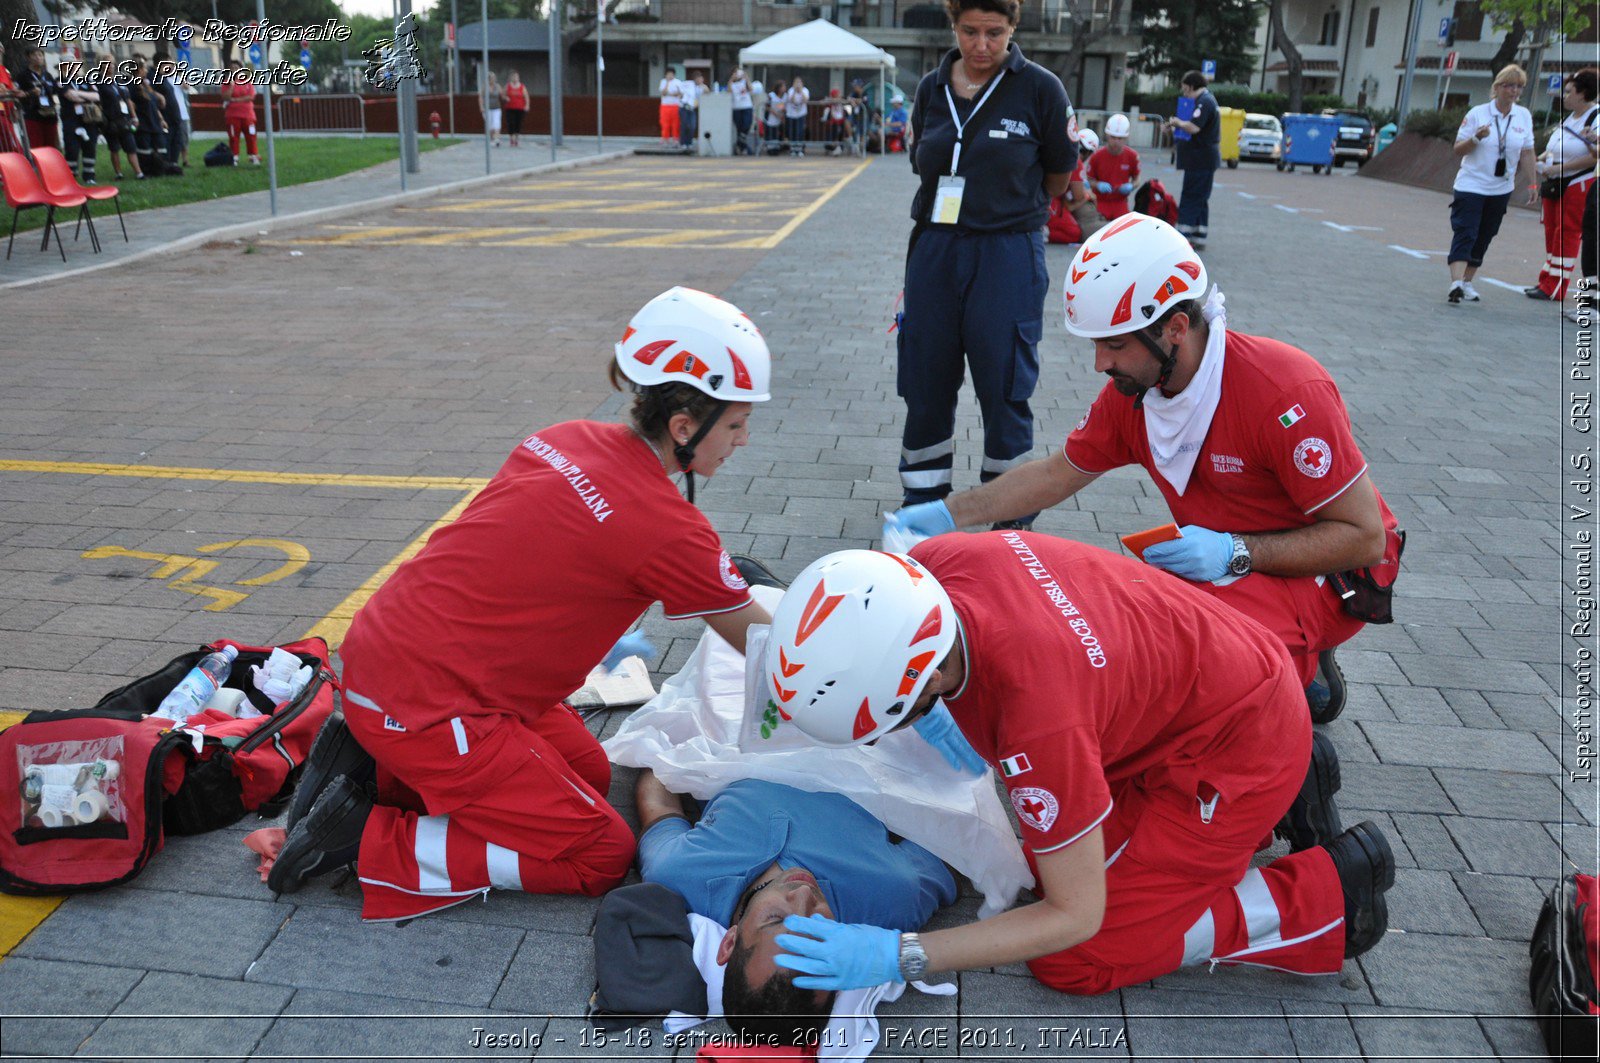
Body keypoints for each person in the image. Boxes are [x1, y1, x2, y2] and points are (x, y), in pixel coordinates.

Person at [267, 288, 778, 921]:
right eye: (736, 423)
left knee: (589, 773)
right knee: (599, 853)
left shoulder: (565, 437)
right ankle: (366, 839)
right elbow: (769, 645)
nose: (745, 439)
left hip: (391, 662)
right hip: (429, 705)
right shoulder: (669, 528)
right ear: (684, 428)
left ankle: (385, 773)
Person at [762, 545, 1394, 999]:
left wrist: (901, 956)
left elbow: (1075, 915)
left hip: (1235, 745)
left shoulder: (1037, 720)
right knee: (1048, 865)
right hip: (1211, 681)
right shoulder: (936, 566)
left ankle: (1322, 896)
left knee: (1073, 955)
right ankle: (1272, 791)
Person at [886, 215, 1402, 725]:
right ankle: (1292, 670)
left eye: (1114, 345)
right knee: (1140, 621)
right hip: (1235, 557)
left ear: (1175, 328)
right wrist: (945, 514)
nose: (1099, 365)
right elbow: (1054, 475)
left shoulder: (1285, 392)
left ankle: (1294, 725)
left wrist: (1237, 552)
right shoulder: (1141, 393)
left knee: (1207, 662)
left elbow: (1365, 539)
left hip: (1333, 573)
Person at [898, 0, 1075, 530]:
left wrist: (1002, 207)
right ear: (954, 26)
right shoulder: (931, 88)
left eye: (994, 34)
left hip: (1006, 251)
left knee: (1003, 385)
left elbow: (1058, 176)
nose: (981, 46)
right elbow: (921, 164)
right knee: (926, 380)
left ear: (1013, 29)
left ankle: (1009, 516)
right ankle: (923, 512)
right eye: (970, 32)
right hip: (935, 250)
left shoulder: (1041, 88)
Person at [634, 770, 957, 1047]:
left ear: (729, 941)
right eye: (820, 925)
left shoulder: (677, 875)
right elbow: (958, 834)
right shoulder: (893, 895)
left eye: (775, 918)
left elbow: (658, 796)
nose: (804, 894)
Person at [1446, 64, 1536, 305]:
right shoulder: (1478, 113)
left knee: (1485, 235)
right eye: (1510, 85)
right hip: (1471, 185)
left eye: (1519, 86)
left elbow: (1527, 152)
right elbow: (1458, 149)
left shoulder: (1523, 116)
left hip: (1501, 188)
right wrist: (1476, 137)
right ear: (1497, 88)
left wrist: (1533, 183)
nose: (1515, 91)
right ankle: (1455, 283)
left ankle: (1467, 282)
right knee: (1466, 231)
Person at [1527, 67, 1598, 304]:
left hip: (1577, 181)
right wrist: (1541, 159)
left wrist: (1559, 169)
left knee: (1567, 232)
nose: (1564, 96)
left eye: (1568, 92)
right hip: (1554, 181)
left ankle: (1556, 286)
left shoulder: (1595, 118)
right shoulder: (1569, 117)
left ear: (1583, 93)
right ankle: (1546, 280)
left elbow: (1595, 156)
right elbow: (1557, 146)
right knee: (1552, 230)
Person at [1165, 70, 1219, 249]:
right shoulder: (1204, 101)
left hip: (1200, 159)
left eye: (1184, 88)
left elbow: (1194, 127)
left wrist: (1177, 122)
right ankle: (1199, 235)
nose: (1183, 92)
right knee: (1201, 198)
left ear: (1191, 86)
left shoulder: (1204, 102)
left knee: (1191, 196)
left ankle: (1183, 238)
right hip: (1202, 159)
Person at [1046, 127, 1097, 245]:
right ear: (1089, 152)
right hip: (1051, 202)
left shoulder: (1061, 150)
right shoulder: (1076, 161)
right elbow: (1078, 197)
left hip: (1045, 197)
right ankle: (1045, 232)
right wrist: (1087, 196)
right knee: (1074, 233)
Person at [95, 56, 143, 179]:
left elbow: (128, 100)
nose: (110, 66)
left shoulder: (119, 80)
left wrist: (134, 117)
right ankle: (118, 173)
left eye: (112, 63)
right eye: (107, 64)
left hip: (125, 119)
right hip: (110, 119)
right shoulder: (98, 82)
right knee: (114, 147)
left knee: (131, 146)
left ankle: (139, 172)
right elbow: (97, 101)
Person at [1086, 113, 1139, 220]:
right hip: (1100, 202)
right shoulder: (1096, 156)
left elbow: (1137, 179)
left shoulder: (1132, 156)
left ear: (1126, 138)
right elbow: (1089, 179)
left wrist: (1131, 186)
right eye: (1113, 137)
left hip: (1120, 203)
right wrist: (1098, 185)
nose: (1116, 142)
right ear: (1107, 135)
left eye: (1120, 138)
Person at [60, 60, 101, 183]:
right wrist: (86, 96)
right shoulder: (61, 80)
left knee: (90, 146)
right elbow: (70, 96)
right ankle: (71, 176)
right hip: (71, 119)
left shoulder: (86, 80)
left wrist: (78, 94)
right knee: (72, 148)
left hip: (88, 119)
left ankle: (89, 176)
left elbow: (97, 96)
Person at [16, 47, 61, 153]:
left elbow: (54, 92)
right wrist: (30, 92)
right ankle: (37, 169)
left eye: (40, 55)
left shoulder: (48, 75)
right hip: (33, 115)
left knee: (52, 147)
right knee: (36, 148)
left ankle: (51, 168)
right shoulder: (23, 76)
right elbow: (17, 94)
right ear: (28, 57)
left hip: (50, 115)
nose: (38, 58)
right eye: (34, 55)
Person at [152, 50, 190, 167]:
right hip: (170, 112)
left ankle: (185, 159)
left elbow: (186, 87)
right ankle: (173, 160)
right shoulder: (163, 78)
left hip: (182, 112)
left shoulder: (176, 77)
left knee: (183, 137)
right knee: (173, 138)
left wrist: (179, 74)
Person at [221, 59, 259, 165]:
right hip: (233, 115)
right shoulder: (226, 83)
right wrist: (232, 86)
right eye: (232, 68)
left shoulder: (247, 82)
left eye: (236, 68)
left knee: (251, 135)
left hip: (248, 115)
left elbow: (251, 96)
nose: (234, 70)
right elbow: (225, 97)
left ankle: (253, 155)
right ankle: (234, 156)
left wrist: (236, 100)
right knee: (234, 136)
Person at [0, 41, 24, 153]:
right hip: (2, 114)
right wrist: (14, 94)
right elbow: (2, 90)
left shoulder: (4, 70)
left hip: (6, 113)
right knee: (11, 149)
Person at [728, 67, 754, 155]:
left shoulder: (744, 81)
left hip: (747, 106)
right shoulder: (732, 83)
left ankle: (739, 146)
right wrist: (732, 79)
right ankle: (743, 148)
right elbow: (729, 92)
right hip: (736, 108)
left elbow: (751, 89)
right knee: (739, 128)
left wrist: (746, 78)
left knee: (747, 125)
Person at [784, 76, 810, 156]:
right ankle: (793, 149)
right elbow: (791, 100)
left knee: (800, 132)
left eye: (799, 82)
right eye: (796, 82)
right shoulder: (791, 90)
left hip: (801, 114)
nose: (798, 84)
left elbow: (805, 100)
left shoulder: (805, 90)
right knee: (792, 132)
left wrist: (801, 91)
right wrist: (795, 91)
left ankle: (800, 149)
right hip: (791, 115)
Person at [680, 71, 705, 151]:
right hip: (684, 107)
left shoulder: (701, 87)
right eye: (699, 78)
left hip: (692, 108)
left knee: (692, 126)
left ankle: (689, 142)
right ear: (695, 79)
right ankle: (683, 143)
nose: (700, 80)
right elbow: (680, 89)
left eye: (701, 79)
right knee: (685, 125)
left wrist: (703, 86)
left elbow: (707, 92)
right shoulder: (688, 83)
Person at [658, 66, 682, 147]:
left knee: (676, 123)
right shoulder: (663, 82)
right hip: (665, 106)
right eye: (668, 74)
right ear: (665, 75)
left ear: (674, 74)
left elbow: (680, 94)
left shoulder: (678, 82)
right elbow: (663, 93)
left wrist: (671, 94)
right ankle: (665, 139)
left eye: (671, 74)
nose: (670, 76)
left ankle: (675, 139)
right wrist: (667, 83)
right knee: (665, 123)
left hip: (675, 106)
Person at [503, 70, 528, 148]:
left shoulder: (522, 86)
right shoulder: (507, 86)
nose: (515, 78)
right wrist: (506, 98)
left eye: (516, 77)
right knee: (511, 123)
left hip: (520, 108)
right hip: (510, 108)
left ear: (518, 78)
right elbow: (503, 95)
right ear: (511, 78)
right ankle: (512, 139)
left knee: (518, 123)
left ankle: (516, 138)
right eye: (513, 77)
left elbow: (526, 96)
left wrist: (527, 105)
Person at [823, 87, 849, 155]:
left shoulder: (841, 101)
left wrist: (839, 99)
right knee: (834, 134)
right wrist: (832, 100)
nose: (839, 95)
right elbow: (824, 101)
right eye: (838, 94)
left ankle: (839, 147)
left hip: (841, 120)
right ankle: (834, 148)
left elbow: (846, 100)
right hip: (833, 121)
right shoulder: (831, 102)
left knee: (841, 133)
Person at [763, 79, 785, 152]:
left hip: (779, 120)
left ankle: (777, 148)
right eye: (783, 86)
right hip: (770, 120)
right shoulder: (771, 95)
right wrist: (775, 112)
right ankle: (770, 148)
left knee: (777, 135)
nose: (784, 88)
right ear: (778, 88)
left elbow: (782, 107)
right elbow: (766, 107)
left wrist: (781, 113)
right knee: (771, 135)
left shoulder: (785, 96)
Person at [482, 71, 503, 147]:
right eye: (491, 78)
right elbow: (481, 97)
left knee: (496, 123)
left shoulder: (498, 86)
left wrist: (506, 97)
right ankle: (492, 138)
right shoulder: (485, 87)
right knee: (490, 125)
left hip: (496, 108)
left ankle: (497, 139)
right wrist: (481, 107)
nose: (493, 79)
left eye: (494, 78)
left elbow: (502, 94)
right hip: (487, 108)